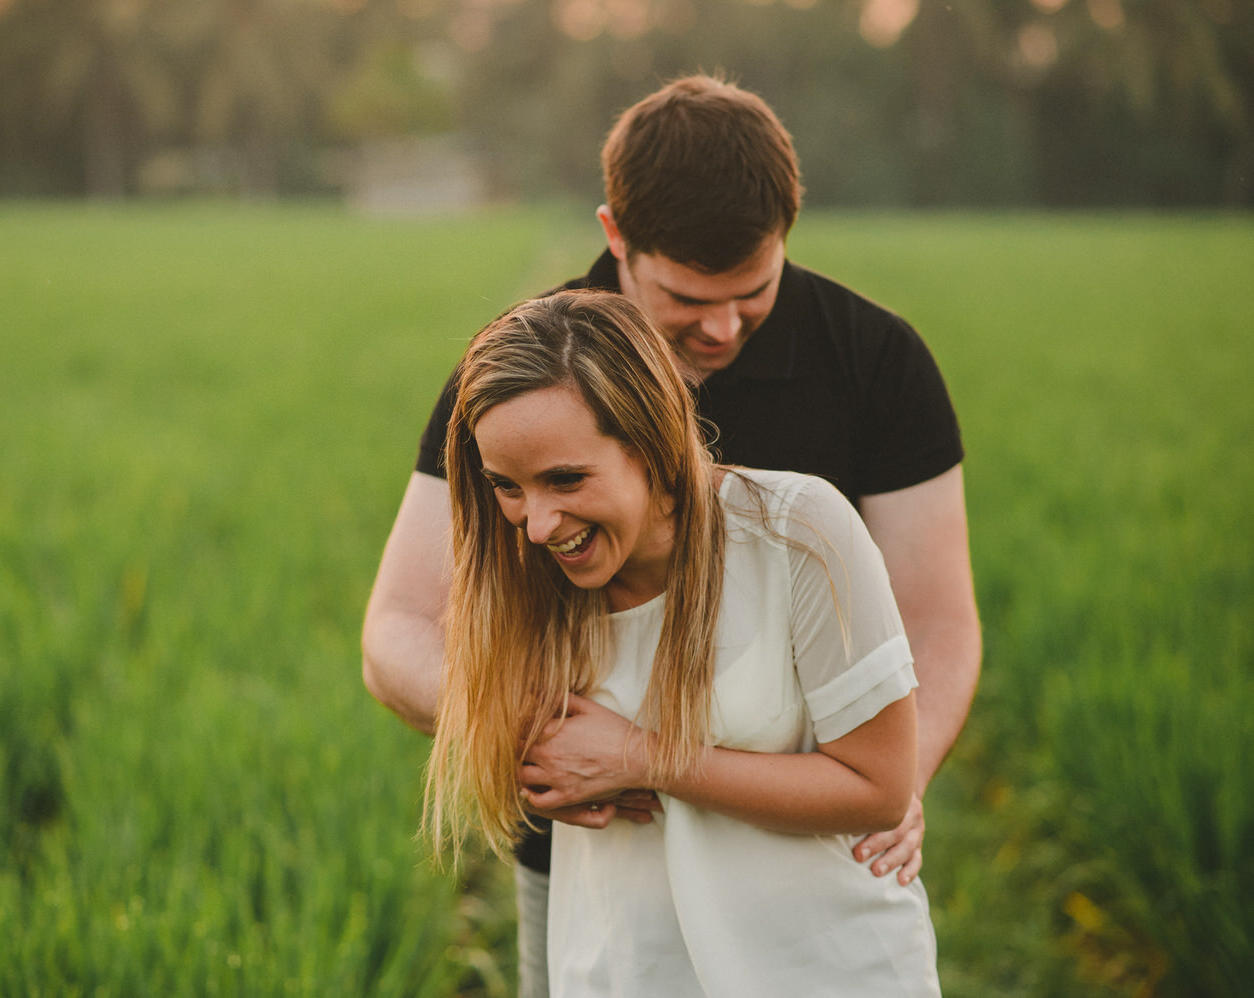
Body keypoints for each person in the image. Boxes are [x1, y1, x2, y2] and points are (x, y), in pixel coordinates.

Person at [363, 75, 980, 994]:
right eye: (688, 298)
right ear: (617, 238)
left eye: (755, 290)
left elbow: (937, 621)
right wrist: (550, 734)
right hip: (595, 875)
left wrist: (893, 783)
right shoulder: (522, 385)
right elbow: (399, 631)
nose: (725, 327)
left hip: (799, 886)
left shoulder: (874, 364)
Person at [425, 290, 941, 996]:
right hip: (623, 973)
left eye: (565, 479)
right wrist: (529, 759)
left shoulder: (797, 535)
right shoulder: (518, 580)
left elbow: (879, 789)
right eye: (506, 487)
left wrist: (642, 756)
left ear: (652, 442)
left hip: (822, 972)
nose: (537, 522)